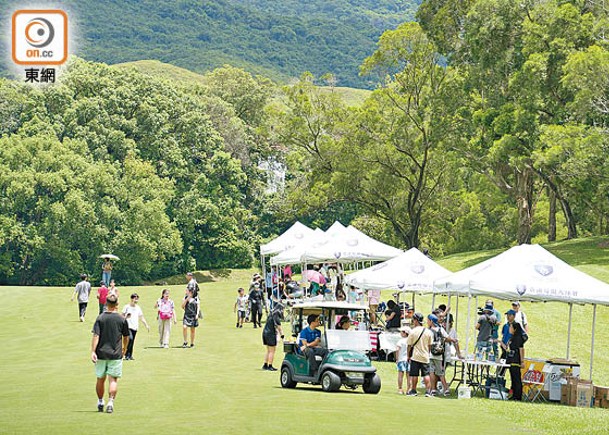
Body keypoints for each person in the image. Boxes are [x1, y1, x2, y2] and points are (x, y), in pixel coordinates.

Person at [91, 294, 129, 413]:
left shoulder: (100, 318)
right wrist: (124, 348)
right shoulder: (122, 319)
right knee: (113, 380)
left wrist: (93, 351)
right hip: (115, 353)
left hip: (101, 353)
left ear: (106, 304)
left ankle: (100, 401)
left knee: (100, 379)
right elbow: (126, 336)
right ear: (117, 304)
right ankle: (110, 402)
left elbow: (96, 335)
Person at [406, 312, 433, 396]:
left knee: (414, 374)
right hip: (425, 356)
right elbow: (429, 345)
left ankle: (413, 390)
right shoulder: (428, 332)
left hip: (415, 355)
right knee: (426, 374)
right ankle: (428, 391)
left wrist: (408, 355)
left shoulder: (413, 331)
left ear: (416, 320)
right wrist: (427, 353)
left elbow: (409, 345)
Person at [428, 314, 454, 397]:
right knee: (441, 373)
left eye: (428, 320)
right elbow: (448, 338)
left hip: (430, 354)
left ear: (431, 321)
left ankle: (433, 389)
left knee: (431, 372)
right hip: (439, 354)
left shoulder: (428, 331)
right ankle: (446, 389)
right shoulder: (441, 329)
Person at [122, 293, 150, 360]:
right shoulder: (127, 307)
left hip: (135, 326)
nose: (136, 300)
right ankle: (126, 354)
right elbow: (122, 316)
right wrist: (126, 316)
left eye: (137, 299)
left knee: (132, 341)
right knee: (130, 339)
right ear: (131, 299)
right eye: (135, 298)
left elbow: (141, 317)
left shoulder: (138, 308)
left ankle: (130, 355)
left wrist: (146, 325)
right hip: (128, 326)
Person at [506, 314, 526, 400]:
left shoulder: (518, 338)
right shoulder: (512, 338)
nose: (509, 329)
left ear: (515, 329)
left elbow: (521, 349)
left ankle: (518, 396)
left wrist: (522, 361)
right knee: (513, 378)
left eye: (511, 327)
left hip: (516, 360)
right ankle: (514, 394)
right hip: (511, 359)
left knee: (517, 378)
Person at [262, 301, 284, 371]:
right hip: (270, 334)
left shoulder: (271, 314)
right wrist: (282, 336)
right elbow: (279, 327)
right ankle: (270, 365)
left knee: (268, 350)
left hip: (265, 333)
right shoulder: (276, 315)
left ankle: (265, 364)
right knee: (272, 351)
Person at [395, 326, 410, 394]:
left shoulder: (400, 341)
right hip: (408, 359)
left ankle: (400, 389)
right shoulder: (410, 341)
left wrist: (397, 359)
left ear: (404, 333)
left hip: (401, 359)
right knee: (408, 375)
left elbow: (397, 349)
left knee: (400, 374)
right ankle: (409, 389)